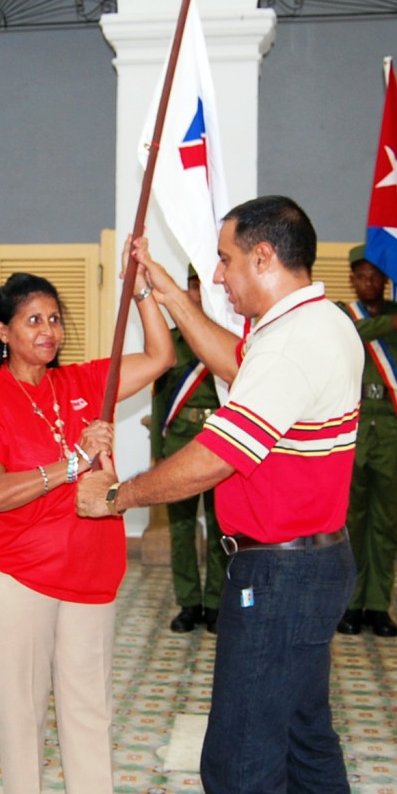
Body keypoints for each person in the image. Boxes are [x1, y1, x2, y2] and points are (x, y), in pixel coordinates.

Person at [77, 196, 374, 794]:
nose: (219, 275)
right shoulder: (315, 323)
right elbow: (237, 366)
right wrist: (168, 295)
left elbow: (216, 457)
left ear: (264, 258)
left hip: (277, 575)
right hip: (311, 563)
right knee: (303, 734)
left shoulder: (293, 343)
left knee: (240, 748)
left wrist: (117, 496)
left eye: (226, 259)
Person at [0, 263, 174, 794]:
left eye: (54, 318)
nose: (48, 330)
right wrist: (73, 461)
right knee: (21, 716)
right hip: (14, 577)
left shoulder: (81, 384)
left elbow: (160, 355)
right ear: (4, 332)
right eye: (32, 320)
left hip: (89, 575)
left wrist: (145, 288)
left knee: (88, 716)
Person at [336, 245, 397, 638]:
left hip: (393, 430)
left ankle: (378, 605)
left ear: (386, 281)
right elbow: (344, 339)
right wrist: (390, 326)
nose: (369, 283)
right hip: (351, 429)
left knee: (386, 523)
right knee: (351, 523)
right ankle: (351, 603)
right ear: (352, 280)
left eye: (376, 277)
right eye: (362, 276)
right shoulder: (341, 315)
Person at [150, 264, 227, 634]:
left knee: (220, 528)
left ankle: (215, 603)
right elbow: (159, 400)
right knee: (181, 530)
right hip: (180, 442)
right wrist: (158, 451)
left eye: (203, 286)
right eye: (192, 286)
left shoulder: (226, 337)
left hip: (219, 442)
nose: (198, 294)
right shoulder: (170, 341)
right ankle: (189, 603)